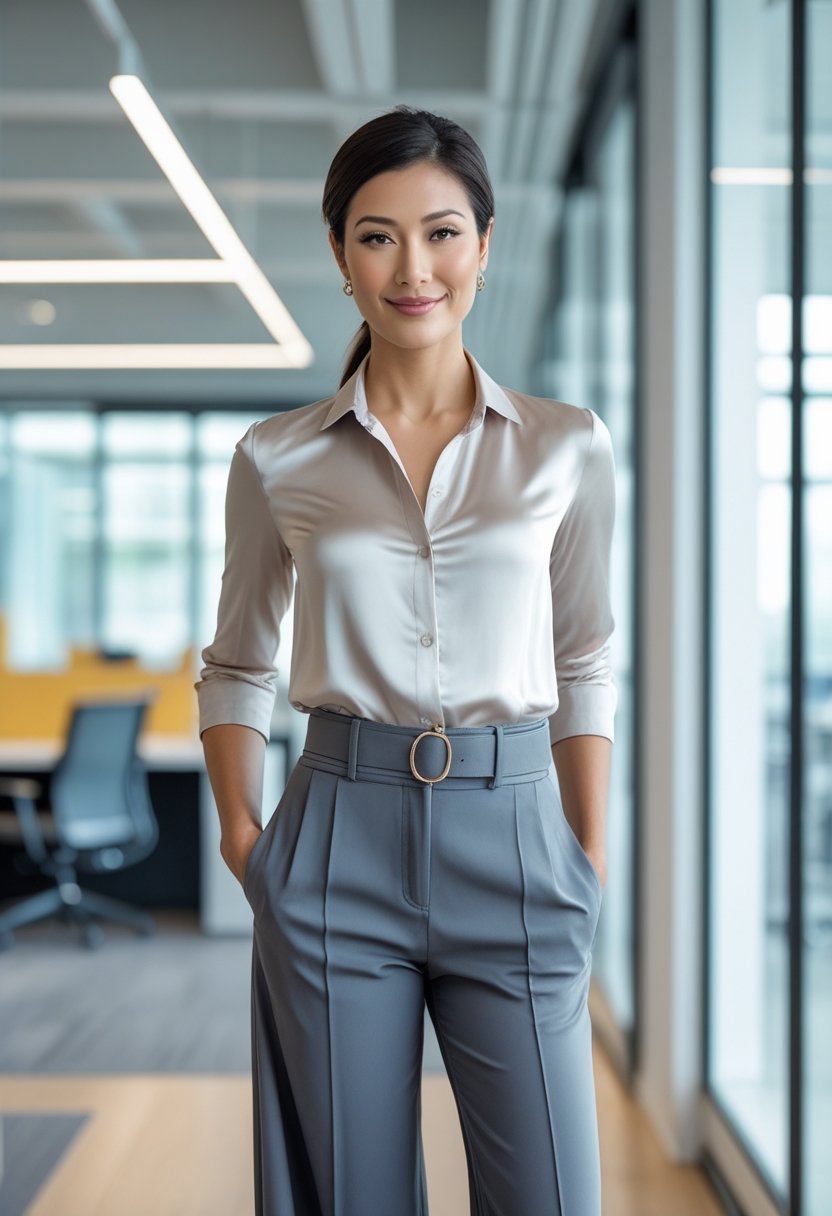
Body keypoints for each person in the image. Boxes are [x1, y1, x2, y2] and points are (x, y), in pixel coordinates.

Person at [196, 104, 617, 1216]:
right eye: (377, 236)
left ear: (484, 244)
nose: (413, 268)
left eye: (441, 233)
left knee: (552, 1196)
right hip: (337, 839)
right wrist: (244, 838)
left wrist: (587, 853)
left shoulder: (566, 445)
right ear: (342, 256)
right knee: (355, 1195)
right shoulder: (277, 457)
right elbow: (236, 661)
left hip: (518, 840)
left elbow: (583, 657)